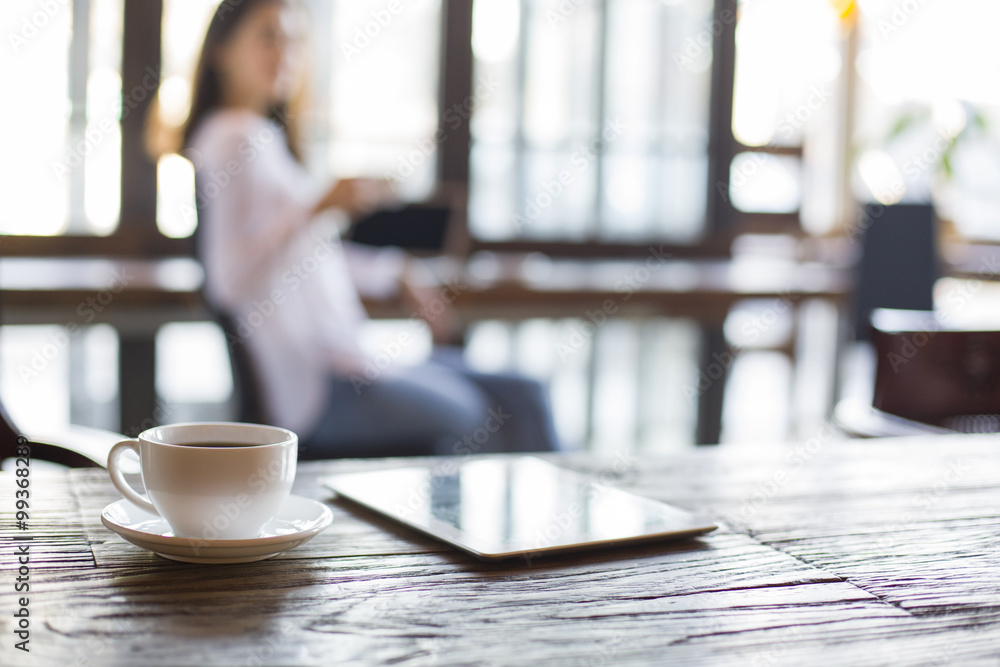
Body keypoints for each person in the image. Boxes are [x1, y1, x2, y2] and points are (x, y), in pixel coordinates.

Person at [173, 0, 560, 458]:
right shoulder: (234, 138)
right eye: (268, 37)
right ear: (221, 49)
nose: (286, 54)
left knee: (520, 393)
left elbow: (304, 258)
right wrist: (318, 205)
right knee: (485, 411)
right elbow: (229, 282)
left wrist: (394, 270)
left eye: (294, 40)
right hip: (322, 388)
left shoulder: (259, 137)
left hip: (348, 364)